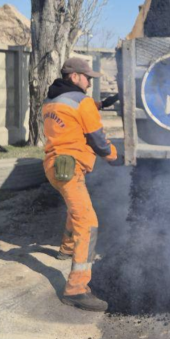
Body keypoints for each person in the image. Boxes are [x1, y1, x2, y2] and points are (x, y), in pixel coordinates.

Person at [42, 57, 122, 311]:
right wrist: (116, 158)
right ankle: (75, 289)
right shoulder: (82, 102)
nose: (89, 83)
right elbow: (98, 140)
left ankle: (65, 249)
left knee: (75, 209)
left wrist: (102, 104)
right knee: (88, 224)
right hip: (71, 167)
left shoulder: (53, 100)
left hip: (54, 166)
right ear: (74, 76)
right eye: (87, 78)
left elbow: (73, 114)